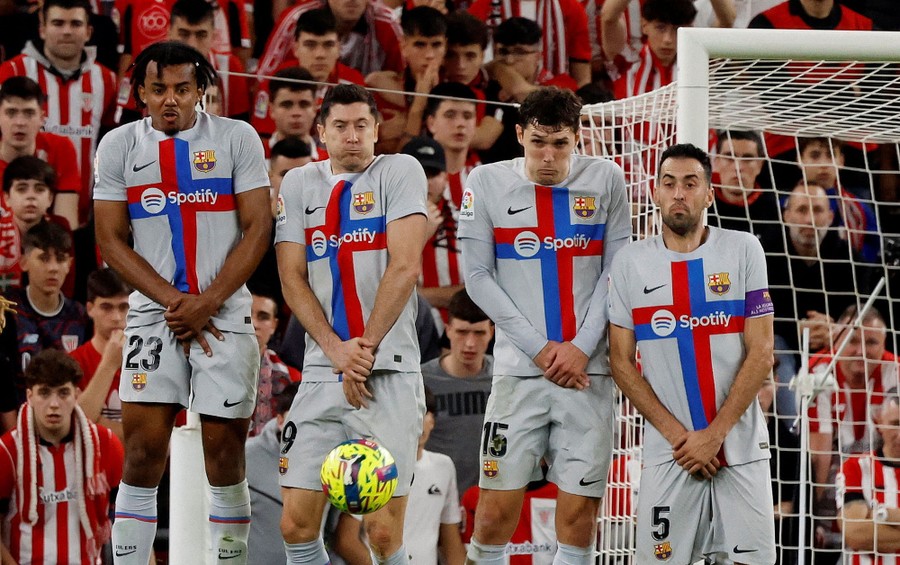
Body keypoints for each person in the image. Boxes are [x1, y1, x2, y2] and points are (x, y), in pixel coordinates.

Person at [93, 41, 272, 564]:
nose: (170, 99)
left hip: (226, 311)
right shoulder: (118, 146)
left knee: (224, 455)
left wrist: (207, 300)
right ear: (139, 93)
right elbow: (109, 240)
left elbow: (258, 226)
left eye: (182, 89)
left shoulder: (238, 137)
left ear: (200, 90)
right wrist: (178, 302)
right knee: (143, 456)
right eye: (158, 89)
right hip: (155, 314)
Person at [458, 86, 630, 565]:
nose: (549, 156)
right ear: (518, 135)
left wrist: (579, 347)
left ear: (578, 137)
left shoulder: (607, 179)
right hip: (518, 373)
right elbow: (475, 277)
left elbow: (618, 273)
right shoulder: (485, 182)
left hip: (587, 372)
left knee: (578, 521)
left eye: (560, 144)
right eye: (538, 142)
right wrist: (541, 349)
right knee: (492, 514)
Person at [274, 83, 428, 565]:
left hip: (388, 373)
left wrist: (361, 352)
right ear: (321, 132)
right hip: (323, 371)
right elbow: (291, 277)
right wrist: (336, 351)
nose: (353, 135)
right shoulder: (299, 184)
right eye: (340, 126)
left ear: (378, 129)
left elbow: (405, 266)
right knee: (296, 524)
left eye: (363, 124)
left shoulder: (401, 170)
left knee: (382, 533)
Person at [608, 143, 776, 564]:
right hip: (671, 453)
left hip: (738, 448)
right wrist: (682, 440)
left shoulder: (744, 250)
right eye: (669, 183)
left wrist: (714, 435)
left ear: (708, 194)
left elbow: (762, 352)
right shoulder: (630, 263)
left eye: (690, 183)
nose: (678, 193)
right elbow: (620, 362)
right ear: (655, 192)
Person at [0, 349, 124, 565]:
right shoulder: (8, 450)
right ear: (30, 396)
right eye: (45, 393)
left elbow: (130, 518)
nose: (54, 404)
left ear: (76, 394)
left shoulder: (106, 445)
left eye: (63, 393)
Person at [0, 0, 118, 226]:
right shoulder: (11, 72)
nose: (66, 31)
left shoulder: (107, 80)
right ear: (42, 29)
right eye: (58, 23)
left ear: (88, 32)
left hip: (82, 216)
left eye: (75, 24)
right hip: (15, 219)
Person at [761, 180, 866, 355]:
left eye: (817, 210)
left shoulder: (852, 260)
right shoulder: (765, 254)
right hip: (780, 341)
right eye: (802, 210)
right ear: (786, 216)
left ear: (830, 217)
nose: (809, 220)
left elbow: (861, 312)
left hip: (835, 341)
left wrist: (836, 329)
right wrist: (797, 329)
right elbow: (755, 314)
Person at [251, 7, 366, 141]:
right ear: (296, 48)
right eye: (310, 45)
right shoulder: (275, 82)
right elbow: (263, 140)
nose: (320, 55)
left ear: (339, 48)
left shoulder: (353, 83)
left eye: (328, 45)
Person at [422, 289, 493, 496]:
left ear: (492, 332)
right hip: (435, 497)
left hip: (491, 501)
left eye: (479, 333)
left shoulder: (505, 379)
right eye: (462, 332)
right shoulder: (420, 381)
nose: (470, 343)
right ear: (449, 330)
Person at [478, 18, 578, 165]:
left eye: (520, 52)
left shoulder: (561, 84)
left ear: (538, 56)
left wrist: (499, 69)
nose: (510, 60)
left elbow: (522, 92)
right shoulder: (488, 85)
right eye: (503, 52)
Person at [8, 221, 88, 375]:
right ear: (24, 263)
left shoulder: (81, 316)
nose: (53, 268)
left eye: (60, 259)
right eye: (44, 258)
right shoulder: (7, 312)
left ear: (69, 264)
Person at [0, 76, 80, 229]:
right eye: (11, 112)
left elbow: (66, 228)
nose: (20, 122)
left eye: (29, 113)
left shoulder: (61, 148)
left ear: (42, 118)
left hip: (45, 247)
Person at [257, 0, 404, 82]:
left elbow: (402, 80)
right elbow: (263, 80)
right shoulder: (296, 20)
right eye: (310, 44)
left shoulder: (387, 21)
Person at [365, 6, 447, 151]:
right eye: (419, 44)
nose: (429, 54)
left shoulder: (458, 88)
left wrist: (418, 105)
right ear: (403, 46)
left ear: (445, 46)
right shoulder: (378, 86)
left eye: (436, 45)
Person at [403, 386, 466, 565]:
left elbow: (450, 539)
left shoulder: (443, 466)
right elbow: (347, 540)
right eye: (411, 412)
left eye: (424, 413)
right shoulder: (374, 468)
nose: (418, 421)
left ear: (433, 421)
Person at [467, 0, 591, 86]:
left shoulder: (571, 9)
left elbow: (582, 78)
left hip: (554, 99)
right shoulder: (482, 8)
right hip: (493, 98)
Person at [69, 268, 131, 442]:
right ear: (90, 309)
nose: (117, 317)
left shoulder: (148, 363)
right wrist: (109, 365)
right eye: (106, 307)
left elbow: (163, 434)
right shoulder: (73, 362)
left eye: (123, 307)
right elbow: (76, 426)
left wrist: (97, 422)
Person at [838, 391, 900, 561]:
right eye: (896, 424)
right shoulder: (855, 467)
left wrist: (881, 514)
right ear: (880, 423)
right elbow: (855, 534)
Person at [797, 136, 879, 262]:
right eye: (815, 155)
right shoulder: (783, 205)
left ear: (841, 161)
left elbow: (874, 248)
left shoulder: (858, 209)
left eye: (830, 155)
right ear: (799, 159)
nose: (823, 164)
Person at [1, 156, 75, 294]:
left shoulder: (60, 226)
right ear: (6, 198)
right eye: (22, 189)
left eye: (39, 189)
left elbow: (67, 288)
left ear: (50, 198)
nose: (31, 196)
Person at [246, 382, 299, 565]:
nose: (304, 429)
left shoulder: (333, 467)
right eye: (296, 419)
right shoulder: (244, 458)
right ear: (280, 420)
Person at [606, 0, 696, 99]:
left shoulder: (694, 64)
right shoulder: (627, 59)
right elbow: (609, 17)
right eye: (660, 28)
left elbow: (717, 29)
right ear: (644, 25)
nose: (667, 39)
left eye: (677, 29)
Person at [709, 129, 781, 241]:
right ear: (716, 162)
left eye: (747, 158)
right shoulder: (702, 208)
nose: (738, 167)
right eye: (729, 157)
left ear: (760, 165)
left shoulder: (775, 213)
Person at [248, 289, 300, 436]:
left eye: (263, 317)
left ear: (274, 325)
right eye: (246, 315)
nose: (253, 323)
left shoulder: (292, 377)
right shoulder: (212, 370)